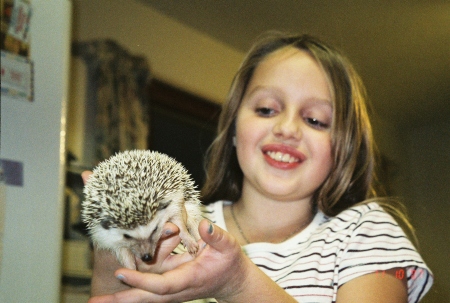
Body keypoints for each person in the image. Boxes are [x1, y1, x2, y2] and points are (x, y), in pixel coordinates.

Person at [84, 33, 433, 303]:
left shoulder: (365, 233)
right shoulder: (172, 228)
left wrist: (238, 284)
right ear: (234, 128)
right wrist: (111, 249)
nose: (287, 128)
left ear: (343, 148)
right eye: (266, 110)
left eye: (315, 119)